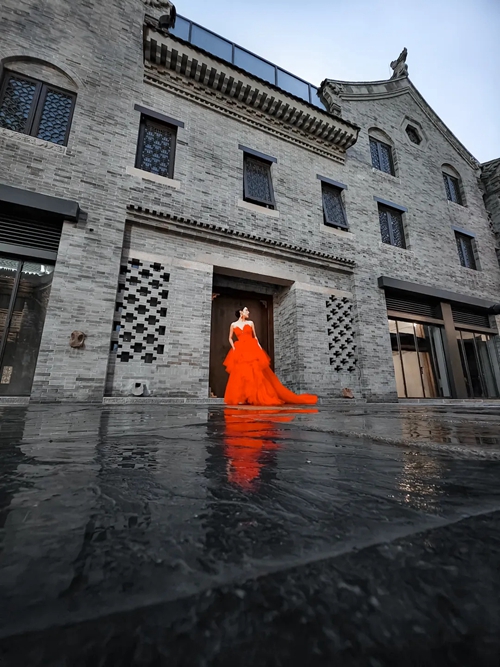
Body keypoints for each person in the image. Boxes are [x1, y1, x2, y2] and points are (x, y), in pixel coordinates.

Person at [223, 306, 318, 406]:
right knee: (241, 373)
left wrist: (259, 348)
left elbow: (255, 337)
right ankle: (243, 397)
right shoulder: (233, 325)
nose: (248, 312)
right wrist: (233, 347)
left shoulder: (250, 323)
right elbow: (230, 338)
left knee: (255, 373)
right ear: (241, 312)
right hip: (240, 350)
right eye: (246, 310)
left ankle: (255, 397)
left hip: (251, 348)